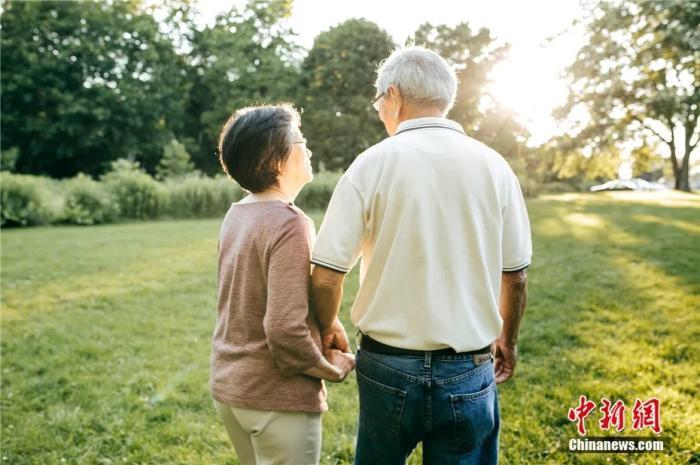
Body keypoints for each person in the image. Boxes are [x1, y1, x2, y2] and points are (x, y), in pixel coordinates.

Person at [309, 47, 532, 465]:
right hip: (469, 365)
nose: (380, 113)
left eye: (379, 103)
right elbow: (515, 278)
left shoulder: (369, 165)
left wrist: (327, 326)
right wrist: (510, 341)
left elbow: (325, 275)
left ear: (393, 95)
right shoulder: (495, 166)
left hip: (387, 365)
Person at [211, 104, 355, 465]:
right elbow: (284, 329)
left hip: (231, 390)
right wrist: (328, 369)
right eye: (300, 141)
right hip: (275, 399)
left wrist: (328, 322)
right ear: (275, 160)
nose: (308, 150)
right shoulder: (290, 222)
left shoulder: (237, 214)